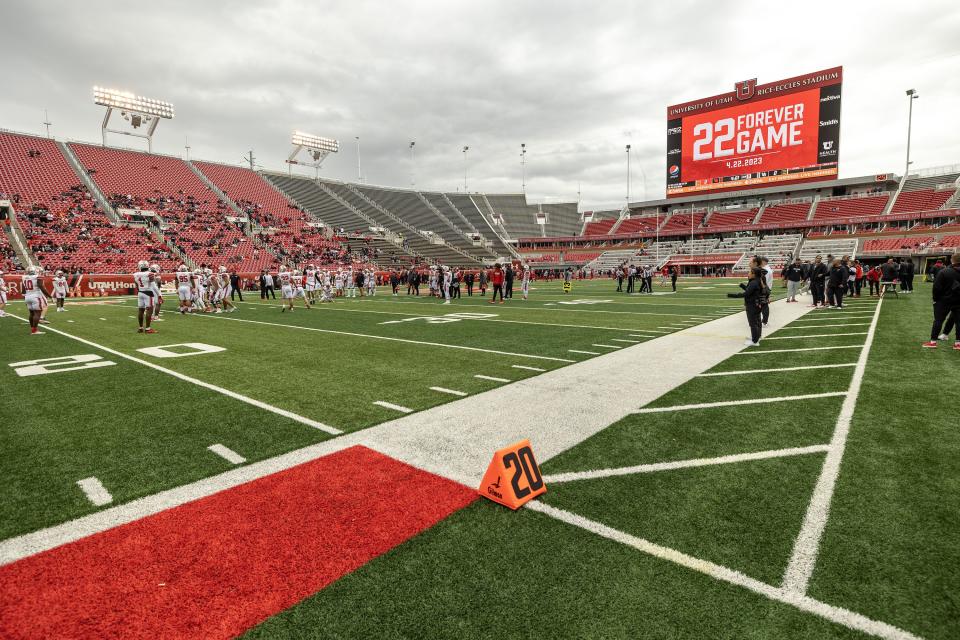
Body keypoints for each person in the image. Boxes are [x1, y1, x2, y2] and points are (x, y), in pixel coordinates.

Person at [923, 252, 960, 349]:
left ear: (952, 260)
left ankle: (933, 342)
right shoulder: (944, 271)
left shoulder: (944, 271)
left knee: (938, 320)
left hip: (944, 301)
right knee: (959, 321)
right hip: (958, 301)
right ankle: (958, 344)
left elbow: (936, 288)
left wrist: (935, 299)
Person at [728, 267, 769, 347]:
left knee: (753, 323)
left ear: (754, 274)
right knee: (757, 322)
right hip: (756, 304)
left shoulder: (754, 282)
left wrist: (731, 295)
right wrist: (742, 285)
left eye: (750, 272)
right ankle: (756, 337)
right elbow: (750, 291)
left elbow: (746, 294)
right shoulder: (757, 281)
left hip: (752, 305)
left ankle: (755, 341)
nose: (748, 274)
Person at [21, 266, 51, 334]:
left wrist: (24, 297)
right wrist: (50, 296)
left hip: (27, 296)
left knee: (31, 313)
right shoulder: (37, 277)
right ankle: (35, 330)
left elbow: (23, 290)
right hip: (36, 296)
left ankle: (32, 329)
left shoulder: (25, 278)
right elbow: (41, 287)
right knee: (37, 313)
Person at [133, 260, 156, 334]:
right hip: (148, 292)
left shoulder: (136, 274)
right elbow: (153, 285)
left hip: (140, 292)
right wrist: (159, 295)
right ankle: (148, 329)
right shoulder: (150, 273)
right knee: (149, 310)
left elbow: (136, 285)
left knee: (141, 310)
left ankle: (140, 328)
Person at [759, 257, 773, 323]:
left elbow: (764, 281)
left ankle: (764, 321)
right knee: (764, 305)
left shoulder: (765, 270)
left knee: (764, 306)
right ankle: (764, 320)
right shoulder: (768, 269)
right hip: (767, 289)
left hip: (763, 289)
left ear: (763, 261)